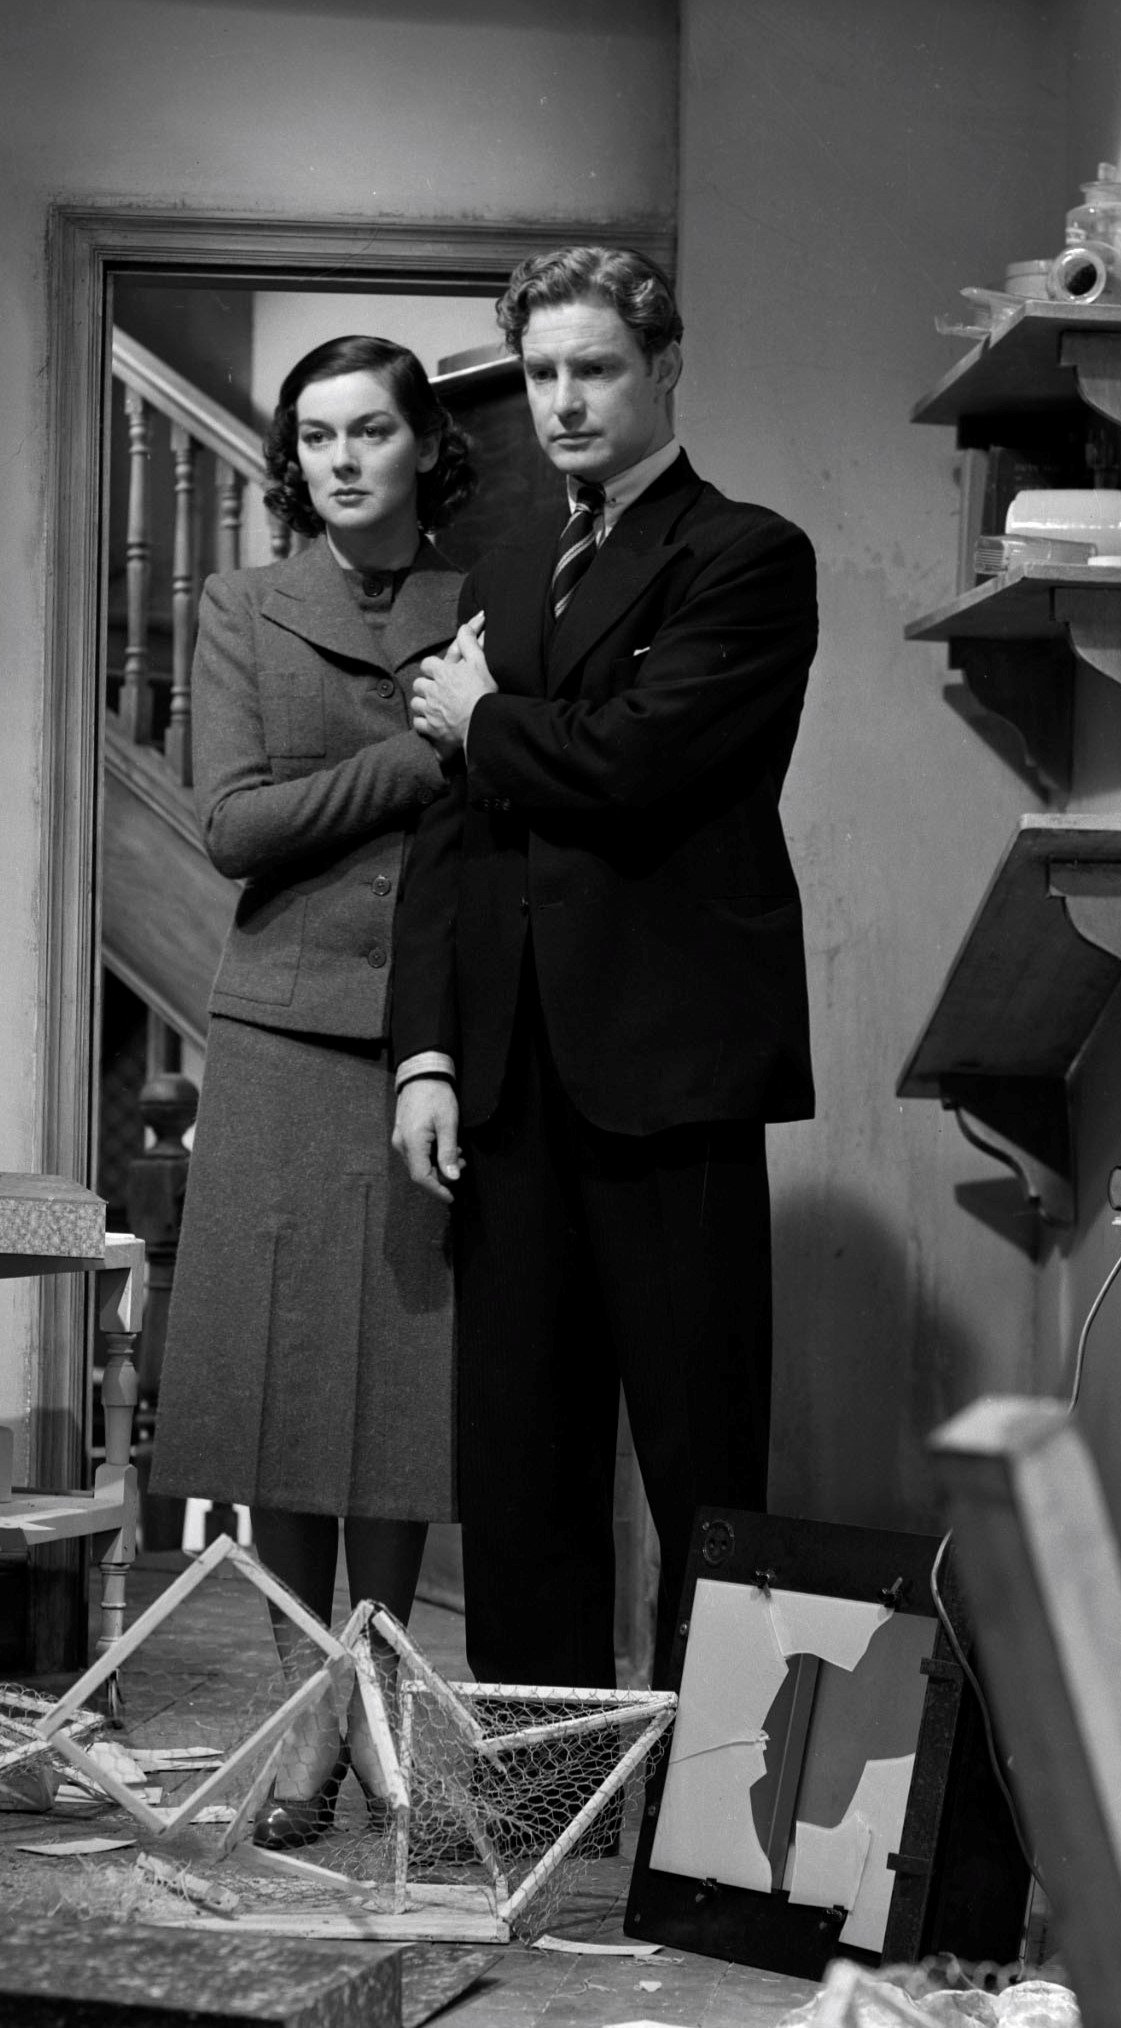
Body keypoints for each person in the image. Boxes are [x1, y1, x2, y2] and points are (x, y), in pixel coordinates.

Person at [389, 247, 819, 1691]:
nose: (563, 401)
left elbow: (640, 762)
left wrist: (482, 717)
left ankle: (713, 1797)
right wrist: (427, 1052)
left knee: (702, 1465)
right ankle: (542, 1787)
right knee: (517, 1471)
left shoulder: (745, 556)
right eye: (541, 374)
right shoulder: (508, 572)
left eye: (595, 368)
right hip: (509, 1084)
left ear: (663, 367)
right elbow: (452, 834)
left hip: (671, 1075)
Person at [155, 333, 473, 1844]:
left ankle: (377, 1691)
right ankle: (306, 1719)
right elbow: (232, 828)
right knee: (282, 1382)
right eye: (318, 436)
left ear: (424, 446)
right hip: (283, 1025)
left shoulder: (486, 604)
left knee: (400, 1387)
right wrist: (420, 759)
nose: (343, 459)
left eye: (371, 432)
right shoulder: (240, 606)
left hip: (437, 1030)